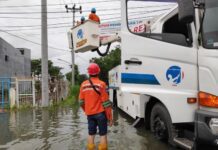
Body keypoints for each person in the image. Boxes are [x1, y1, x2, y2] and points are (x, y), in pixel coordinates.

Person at [79, 63, 113, 150]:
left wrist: (87, 110)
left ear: (89, 73)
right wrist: (110, 117)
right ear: (98, 72)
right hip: (101, 114)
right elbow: (106, 103)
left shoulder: (83, 85)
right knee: (103, 134)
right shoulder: (102, 84)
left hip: (89, 114)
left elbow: (80, 102)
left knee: (91, 134)